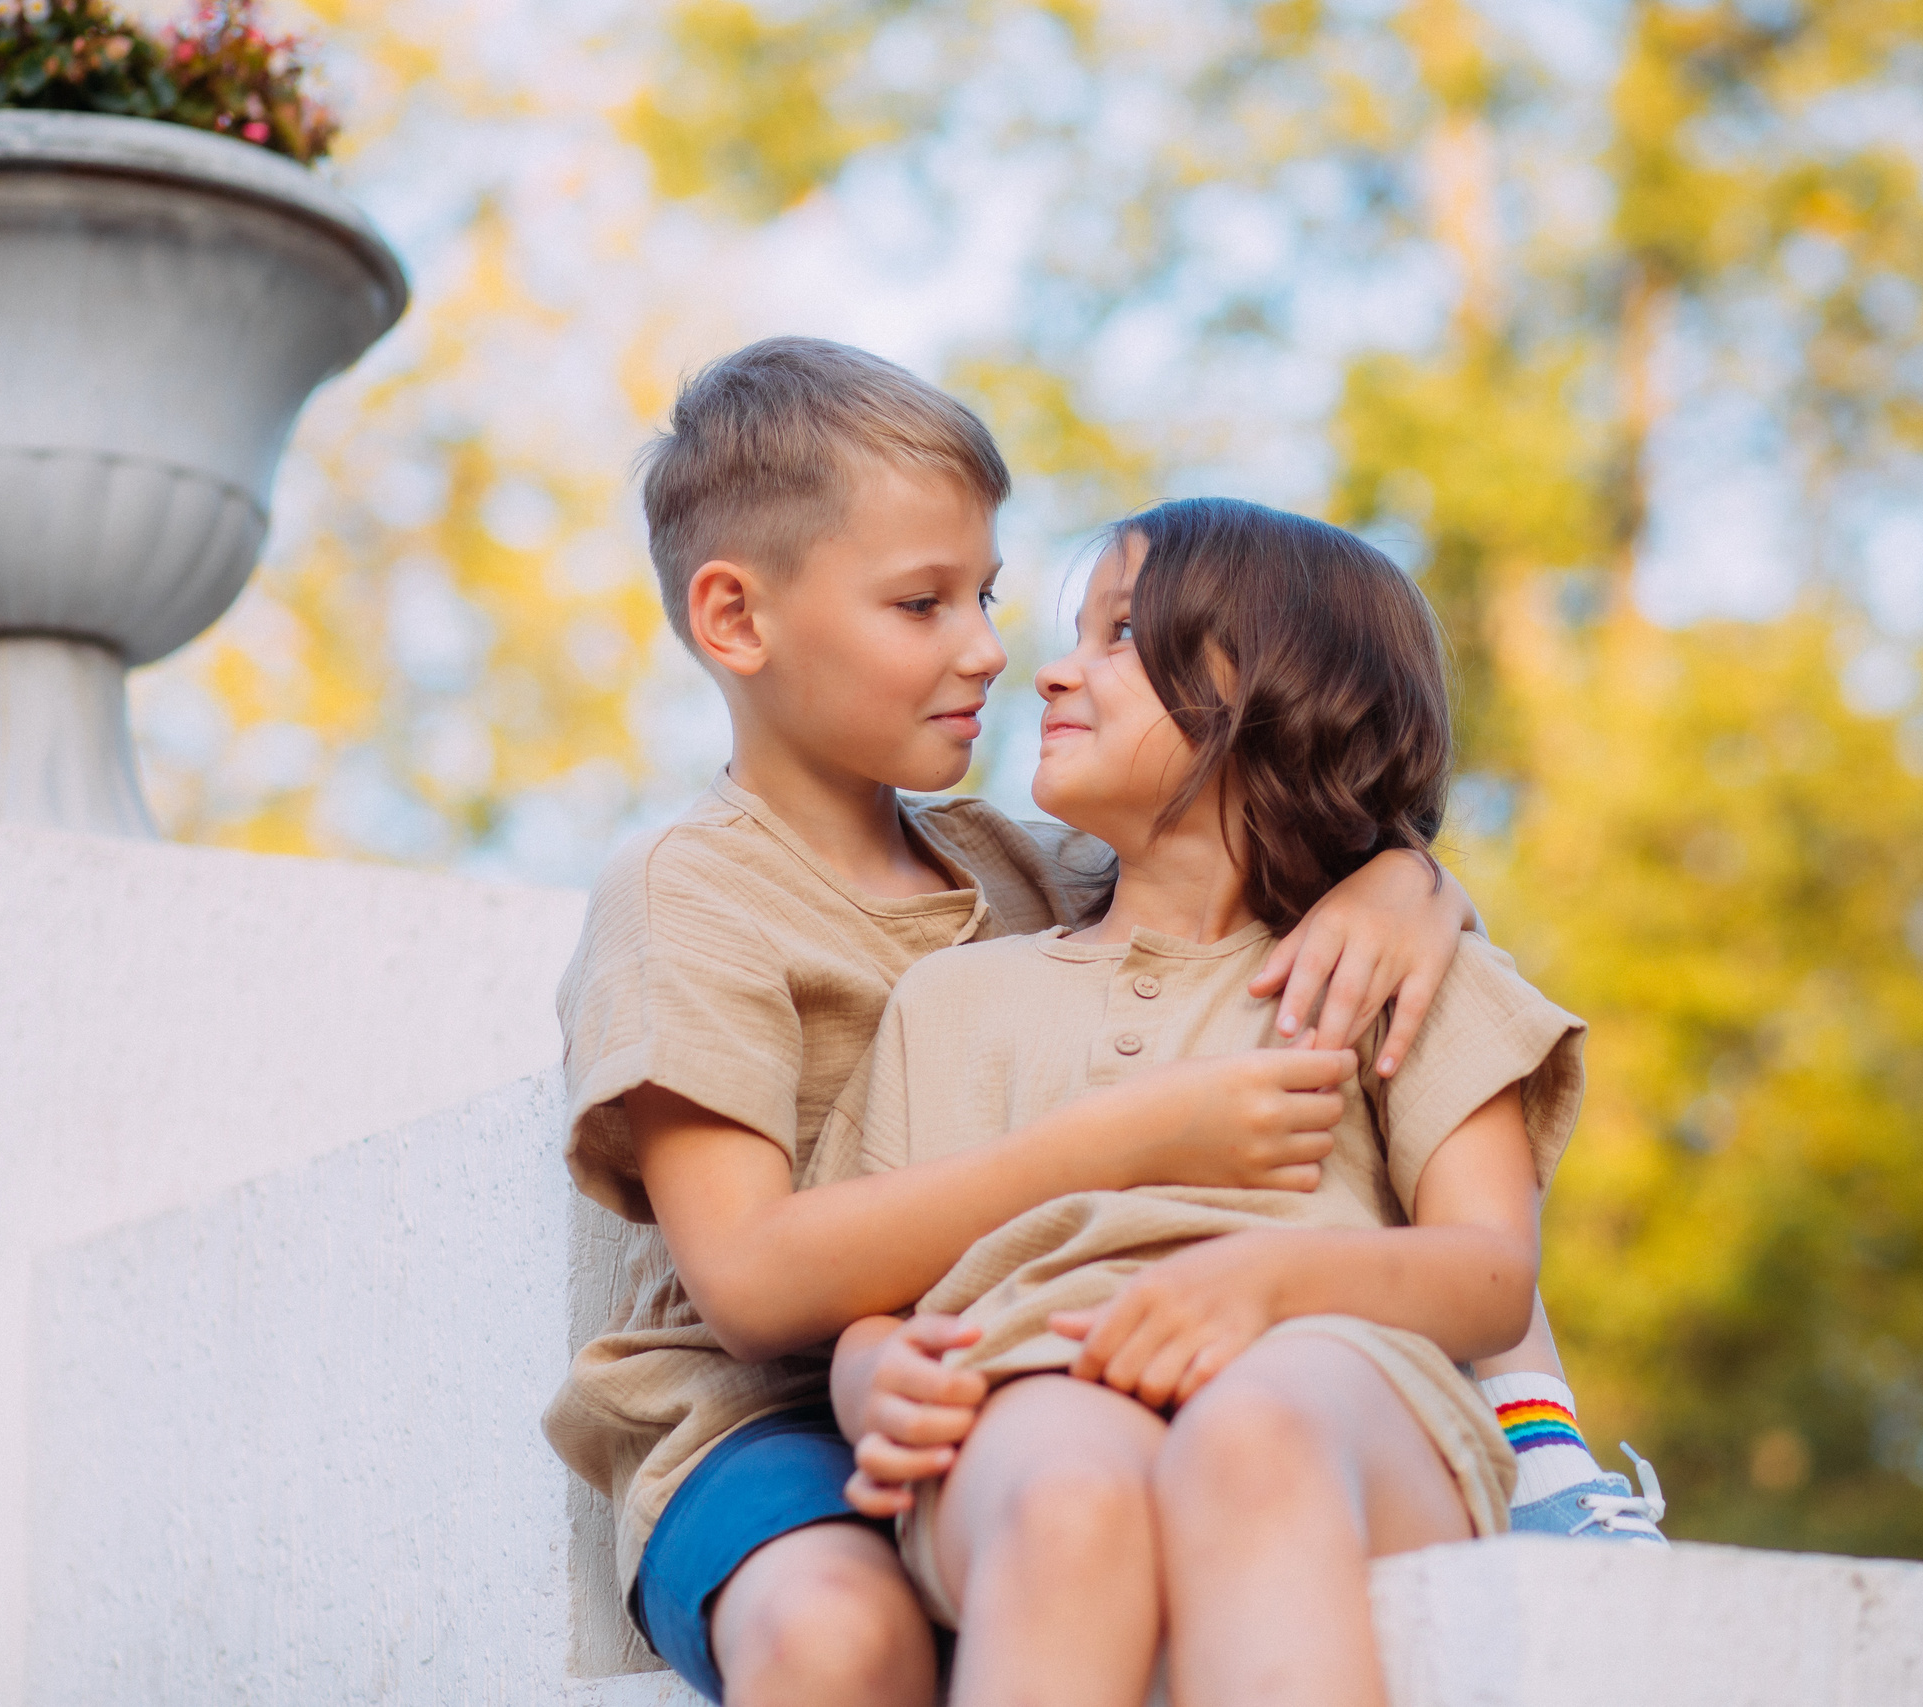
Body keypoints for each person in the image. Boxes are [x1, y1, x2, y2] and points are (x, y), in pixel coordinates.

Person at [539, 339, 1490, 1707]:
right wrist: (1117, 1140)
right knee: (839, 1636)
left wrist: (1412, 880)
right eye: (920, 602)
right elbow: (749, 1278)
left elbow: (1255, 839)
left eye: (983, 593)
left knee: (1100, 1504)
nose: (988, 647)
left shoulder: (1033, 865)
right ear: (738, 621)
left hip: (1026, 1359)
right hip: (769, 1411)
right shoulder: (685, 893)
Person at [827, 498, 1663, 1707]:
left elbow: (1489, 1275)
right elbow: (874, 1297)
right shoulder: (949, 1001)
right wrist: (874, 1383)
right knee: (1070, 1502)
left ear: (1276, 697)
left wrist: (1268, 1286)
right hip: (1029, 1390)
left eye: (1120, 635)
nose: (1051, 672)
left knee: (1252, 1438)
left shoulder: (1405, 974)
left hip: (1336, 1388)